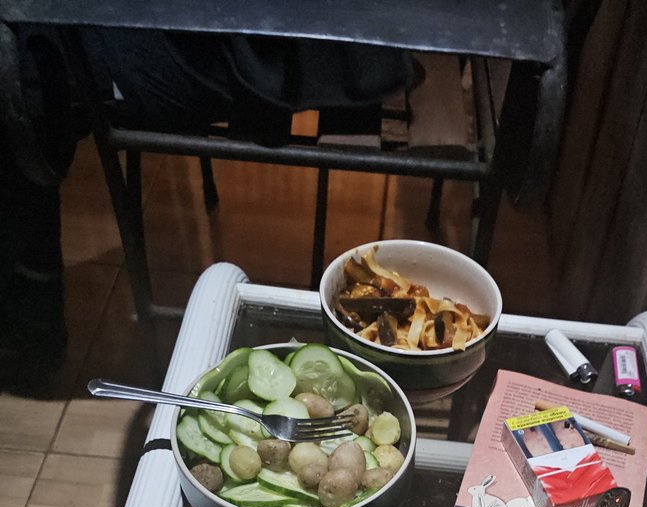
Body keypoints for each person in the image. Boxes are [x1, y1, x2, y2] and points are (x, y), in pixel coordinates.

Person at [0, 22, 414, 389]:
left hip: (302, 40)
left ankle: (31, 328)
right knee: (27, 65)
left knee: (27, 68)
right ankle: (31, 324)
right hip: (257, 35)